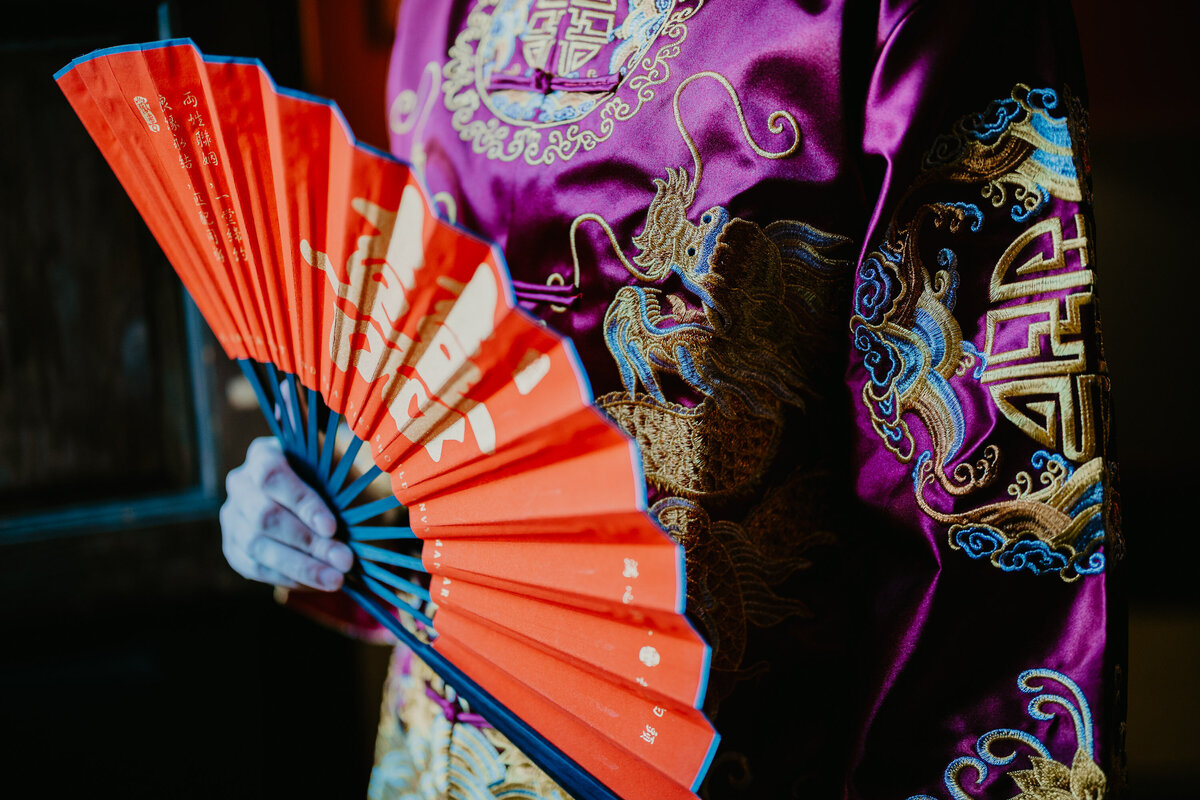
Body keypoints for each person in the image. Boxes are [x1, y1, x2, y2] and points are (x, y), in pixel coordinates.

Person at [221, 1, 1123, 797]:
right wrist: (326, 509)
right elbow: (435, 368)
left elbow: (994, 511)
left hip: (750, 755)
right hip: (442, 747)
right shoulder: (440, 11)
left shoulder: (904, 15)